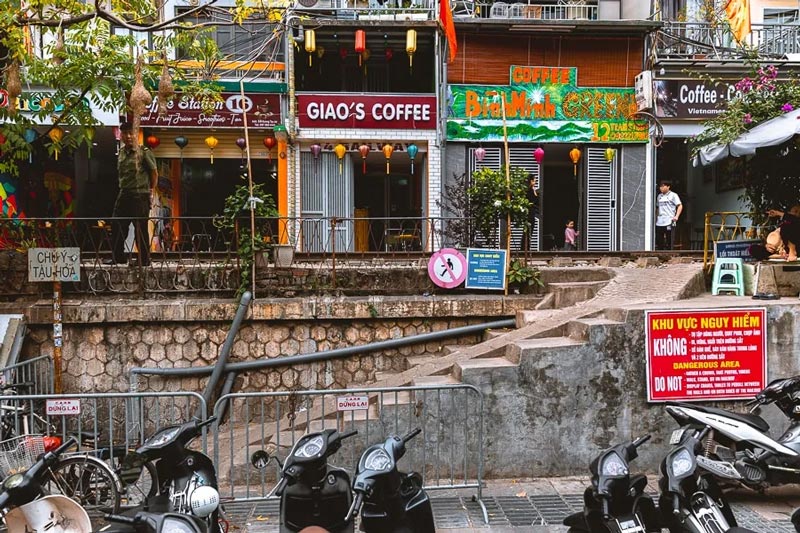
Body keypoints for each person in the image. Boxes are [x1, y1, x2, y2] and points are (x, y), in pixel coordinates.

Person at [107, 122, 158, 266]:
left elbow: (154, 173)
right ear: (121, 135)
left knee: (140, 227)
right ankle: (118, 257)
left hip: (140, 194)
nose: (128, 136)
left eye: (131, 133)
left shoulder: (144, 152)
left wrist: (150, 191)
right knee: (117, 225)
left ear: (135, 134)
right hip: (124, 193)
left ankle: (143, 260)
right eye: (125, 133)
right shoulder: (122, 152)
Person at [655, 180, 682, 250]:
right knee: (659, 239)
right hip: (660, 221)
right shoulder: (659, 196)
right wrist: (655, 217)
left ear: (668, 187)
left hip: (669, 220)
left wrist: (676, 216)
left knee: (669, 239)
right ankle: (660, 254)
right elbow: (657, 207)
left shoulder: (673, 195)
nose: (661, 188)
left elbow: (680, 206)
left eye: (663, 186)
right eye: (660, 186)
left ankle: (670, 254)